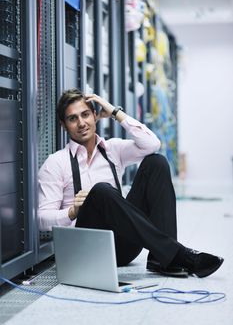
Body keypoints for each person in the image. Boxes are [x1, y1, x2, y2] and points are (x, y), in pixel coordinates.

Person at [38, 88, 223, 278]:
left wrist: (115, 112)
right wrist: (72, 212)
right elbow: (41, 218)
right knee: (101, 190)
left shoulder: (113, 149)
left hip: (123, 246)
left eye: (85, 114)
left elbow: (152, 144)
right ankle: (178, 254)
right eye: (72, 118)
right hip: (88, 249)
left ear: (95, 115)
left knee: (156, 162)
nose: (81, 123)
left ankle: (162, 258)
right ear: (64, 125)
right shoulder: (55, 163)